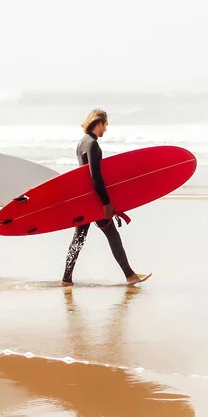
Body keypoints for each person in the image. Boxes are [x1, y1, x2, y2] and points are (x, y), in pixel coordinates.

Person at [61, 108, 151, 287]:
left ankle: (66, 278)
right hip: (95, 201)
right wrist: (106, 203)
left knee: (78, 238)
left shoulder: (81, 143)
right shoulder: (93, 144)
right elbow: (96, 177)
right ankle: (130, 275)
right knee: (112, 235)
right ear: (99, 123)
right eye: (106, 125)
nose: (106, 130)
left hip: (85, 199)